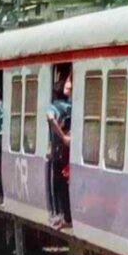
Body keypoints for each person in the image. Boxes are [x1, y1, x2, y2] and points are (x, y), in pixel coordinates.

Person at [46, 72, 73, 229]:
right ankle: (67, 216)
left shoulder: (53, 107)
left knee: (58, 185)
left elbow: (50, 118)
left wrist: (61, 136)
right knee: (65, 184)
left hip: (58, 151)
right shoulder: (70, 107)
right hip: (68, 152)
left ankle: (61, 215)